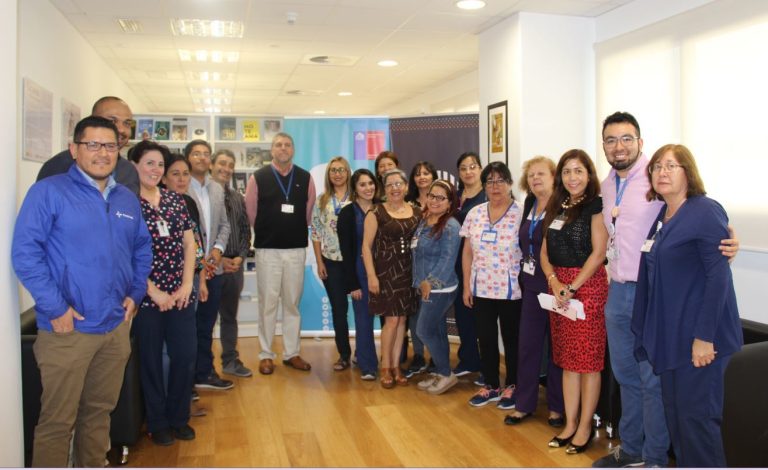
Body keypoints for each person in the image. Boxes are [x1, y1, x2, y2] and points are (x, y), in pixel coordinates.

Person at [592, 112, 740, 468]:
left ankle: (654, 458)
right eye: (610, 140)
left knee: (676, 402)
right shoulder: (619, 191)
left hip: (677, 315)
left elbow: (715, 265)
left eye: (626, 138)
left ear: (639, 142)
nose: (618, 146)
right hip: (633, 301)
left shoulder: (688, 200)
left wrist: (730, 242)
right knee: (642, 388)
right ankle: (633, 450)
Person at [12, 116, 152, 467]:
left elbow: (141, 248)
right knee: (57, 423)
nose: (102, 153)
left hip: (114, 328)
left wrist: (135, 294)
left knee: (99, 414)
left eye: (110, 146)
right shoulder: (49, 192)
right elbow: (25, 254)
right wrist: (56, 308)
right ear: (74, 149)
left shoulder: (126, 198)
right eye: (93, 144)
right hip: (67, 329)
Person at [632, 144, 742, 467]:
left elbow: (718, 277)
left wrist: (704, 337)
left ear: (688, 172)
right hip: (672, 338)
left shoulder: (705, 211)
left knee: (697, 425)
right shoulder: (663, 215)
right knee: (678, 423)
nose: (662, 172)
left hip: (700, 340)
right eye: (657, 167)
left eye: (671, 166)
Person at [129, 141, 198, 446]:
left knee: (185, 356)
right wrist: (153, 291)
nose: (155, 170)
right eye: (149, 163)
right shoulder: (126, 203)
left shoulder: (174, 200)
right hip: (146, 297)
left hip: (180, 294)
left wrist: (187, 284)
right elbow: (123, 254)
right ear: (134, 166)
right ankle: (157, 422)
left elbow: (189, 244)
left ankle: (179, 418)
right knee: (151, 361)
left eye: (160, 165)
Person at [540, 149, 608, 455]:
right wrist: (554, 282)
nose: (572, 177)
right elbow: (544, 252)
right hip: (559, 289)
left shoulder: (596, 205)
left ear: (589, 175)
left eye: (578, 171)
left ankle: (584, 428)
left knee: (588, 364)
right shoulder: (557, 205)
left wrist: (572, 286)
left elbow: (599, 252)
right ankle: (570, 424)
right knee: (568, 361)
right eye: (567, 171)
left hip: (588, 288)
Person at [245, 132, 317, 374]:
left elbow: (308, 213)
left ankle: (291, 353)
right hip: (268, 250)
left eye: (287, 144)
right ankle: (266, 354)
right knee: (268, 303)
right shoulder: (258, 177)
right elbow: (251, 213)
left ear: (293, 150)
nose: (283, 148)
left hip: (296, 249)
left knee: (292, 303)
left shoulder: (305, 178)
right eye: (278, 145)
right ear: (272, 150)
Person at [504, 156, 564, 428]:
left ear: (554, 177)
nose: (535, 179)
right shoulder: (529, 203)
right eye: (531, 175)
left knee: (556, 348)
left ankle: (557, 407)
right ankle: (524, 404)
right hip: (530, 286)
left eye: (541, 174)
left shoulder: (563, 206)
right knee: (527, 345)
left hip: (555, 285)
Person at [460, 161, 522, 410]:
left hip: (511, 289)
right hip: (481, 288)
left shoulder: (521, 212)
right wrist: (467, 286)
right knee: (485, 338)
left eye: (500, 180)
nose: (495, 186)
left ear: (510, 183)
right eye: (490, 181)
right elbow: (467, 252)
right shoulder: (475, 213)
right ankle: (491, 384)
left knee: (511, 339)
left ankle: (513, 385)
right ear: (484, 185)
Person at [362, 169, 421, 388]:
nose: (395, 188)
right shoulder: (376, 212)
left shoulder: (417, 212)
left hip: (409, 272)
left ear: (406, 187)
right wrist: (371, 276)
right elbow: (366, 247)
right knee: (392, 321)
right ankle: (385, 366)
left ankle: (396, 366)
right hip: (385, 273)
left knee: (402, 320)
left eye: (398, 184)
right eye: (390, 185)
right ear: (384, 189)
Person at [185, 139, 233, 390]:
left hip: (214, 268)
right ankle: (185, 380)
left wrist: (217, 250)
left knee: (206, 324)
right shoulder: (180, 185)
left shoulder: (216, 188)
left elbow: (224, 225)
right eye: (196, 153)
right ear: (187, 158)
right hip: (188, 270)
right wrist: (200, 259)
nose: (202, 158)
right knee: (186, 326)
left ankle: (204, 373)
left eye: (206, 154)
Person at [412, 180, 462, 395]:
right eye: (432, 195)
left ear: (450, 203)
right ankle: (442, 372)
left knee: (423, 330)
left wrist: (429, 283)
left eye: (441, 198)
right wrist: (419, 281)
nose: (434, 200)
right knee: (438, 331)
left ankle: (446, 374)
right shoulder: (425, 220)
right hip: (424, 285)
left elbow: (447, 260)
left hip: (440, 288)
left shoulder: (451, 226)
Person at [37, 96, 139, 193]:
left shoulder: (129, 171)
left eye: (127, 123)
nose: (121, 129)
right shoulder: (58, 166)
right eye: (112, 121)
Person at [210, 149, 253, 378]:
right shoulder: (202, 196)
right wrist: (219, 260)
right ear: (211, 165)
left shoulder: (237, 198)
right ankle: (204, 368)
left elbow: (245, 230)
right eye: (222, 163)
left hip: (235, 268)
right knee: (205, 321)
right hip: (210, 268)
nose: (226, 169)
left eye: (230, 165)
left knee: (229, 317)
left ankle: (230, 361)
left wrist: (240, 257)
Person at [311, 156, 353, 371]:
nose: (337, 174)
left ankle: (364, 354)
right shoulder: (322, 200)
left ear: (348, 172)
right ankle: (344, 354)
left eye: (341, 169)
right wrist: (319, 262)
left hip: (355, 262)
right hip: (332, 262)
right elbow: (316, 232)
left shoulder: (357, 197)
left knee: (363, 310)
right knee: (339, 310)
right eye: (333, 170)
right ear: (328, 174)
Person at [337, 169, 380, 381]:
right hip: (359, 272)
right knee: (363, 320)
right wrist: (352, 284)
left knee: (391, 320)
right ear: (354, 188)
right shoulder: (347, 213)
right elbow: (346, 251)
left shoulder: (383, 208)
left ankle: (394, 362)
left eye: (371, 183)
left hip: (384, 271)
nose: (368, 188)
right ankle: (368, 365)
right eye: (362, 184)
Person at [404, 160, 439, 377]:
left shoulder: (441, 200)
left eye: (426, 173)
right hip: (412, 264)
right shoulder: (408, 203)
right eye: (418, 174)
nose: (422, 177)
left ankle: (436, 356)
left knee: (434, 313)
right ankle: (418, 355)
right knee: (415, 313)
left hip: (435, 265)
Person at [452, 152, 485, 382]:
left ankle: (486, 365)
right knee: (462, 313)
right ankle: (468, 359)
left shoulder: (487, 196)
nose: (468, 171)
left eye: (473, 166)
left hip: (482, 263)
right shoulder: (455, 196)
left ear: (480, 169)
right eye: (463, 168)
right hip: (455, 261)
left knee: (481, 316)